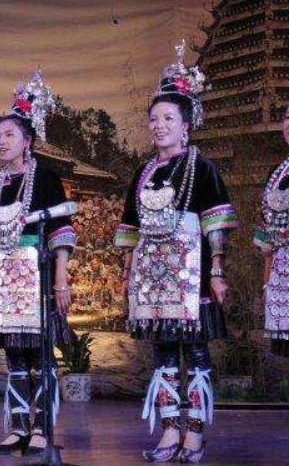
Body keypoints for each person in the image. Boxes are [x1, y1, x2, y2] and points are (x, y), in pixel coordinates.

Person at [114, 41, 238, 463]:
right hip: (151, 276)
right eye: (154, 119)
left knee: (196, 352)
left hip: (191, 275)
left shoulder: (202, 167)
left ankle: (195, 434)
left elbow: (215, 223)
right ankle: (169, 431)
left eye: (168, 118)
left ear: (186, 124)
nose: (159, 125)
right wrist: (127, 275)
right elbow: (130, 230)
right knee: (163, 353)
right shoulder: (143, 172)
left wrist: (216, 271)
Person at [0, 70, 76, 456]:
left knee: (39, 354)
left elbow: (61, 233)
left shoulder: (46, 178)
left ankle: (42, 428)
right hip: (1, 276)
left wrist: (60, 281)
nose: (1, 142)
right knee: (14, 354)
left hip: (35, 274)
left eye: (9, 135)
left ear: (27, 140)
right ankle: (18, 428)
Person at [254, 102, 289, 356]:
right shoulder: (277, 173)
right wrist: (266, 284)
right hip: (282, 276)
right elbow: (266, 232)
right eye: (287, 117)